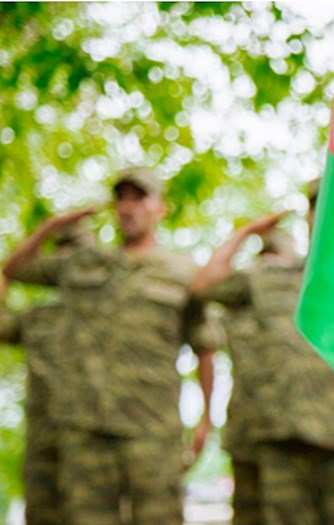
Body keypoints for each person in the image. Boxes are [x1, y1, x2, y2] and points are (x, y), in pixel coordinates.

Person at [2, 167, 218, 525]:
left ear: (160, 208)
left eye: (140, 198)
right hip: (86, 429)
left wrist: (206, 420)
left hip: (151, 429)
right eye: (122, 198)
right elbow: (14, 268)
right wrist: (53, 226)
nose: (128, 207)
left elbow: (205, 347)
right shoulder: (85, 264)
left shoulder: (184, 273)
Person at [191, 180, 334, 525]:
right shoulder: (270, 277)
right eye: (315, 206)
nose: (323, 213)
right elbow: (206, 285)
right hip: (284, 442)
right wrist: (246, 232)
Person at [0, 226, 89, 525]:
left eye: (77, 253)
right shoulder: (37, 319)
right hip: (45, 442)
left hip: (96, 441)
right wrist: (45, 231)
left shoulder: (115, 312)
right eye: (61, 253)